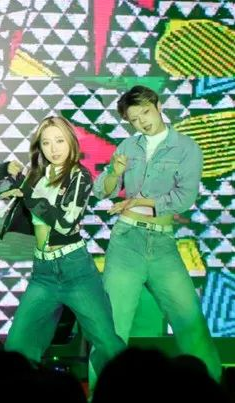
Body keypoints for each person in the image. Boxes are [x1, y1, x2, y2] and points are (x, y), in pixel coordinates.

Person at [0, 116, 125, 376]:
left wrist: (27, 191)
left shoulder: (79, 176)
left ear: (71, 143)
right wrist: (4, 170)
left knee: (108, 344)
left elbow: (65, 223)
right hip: (43, 273)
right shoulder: (36, 176)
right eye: (46, 143)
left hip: (75, 270)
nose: (53, 149)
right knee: (18, 347)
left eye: (59, 141)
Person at [92, 85, 222, 380]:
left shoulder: (187, 148)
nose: (142, 122)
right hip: (126, 241)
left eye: (146, 113)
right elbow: (103, 191)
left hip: (162, 242)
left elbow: (184, 198)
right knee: (111, 328)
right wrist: (114, 173)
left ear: (158, 105)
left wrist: (140, 201)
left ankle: (213, 391)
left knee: (191, 322)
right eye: (134, 120)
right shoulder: (127, 147)